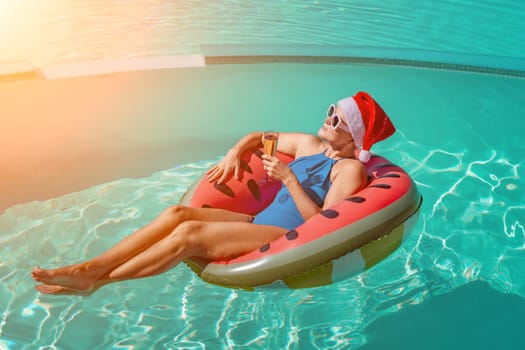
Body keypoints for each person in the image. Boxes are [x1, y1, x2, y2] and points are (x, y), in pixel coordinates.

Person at [32, 91, 395, 295]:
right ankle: (93, 268)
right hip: (257, 219)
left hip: (284, 234)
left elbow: (323, 224)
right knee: (177, 215)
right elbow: (260, 138)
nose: (328, 117)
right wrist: (235, 153)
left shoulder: (349, 170)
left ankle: (94, 279)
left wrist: (288, 180)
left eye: (338, 120)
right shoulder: (308, 144)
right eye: (331, 110)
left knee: (189, 236)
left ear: (354, 138)